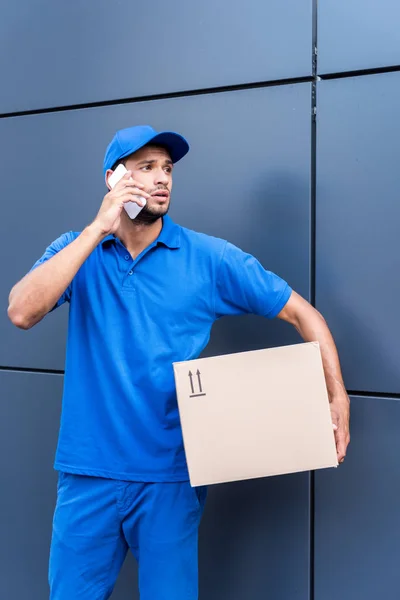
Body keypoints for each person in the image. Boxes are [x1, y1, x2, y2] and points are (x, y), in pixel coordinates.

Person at [7, 125, 350, 600]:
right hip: (89, 474)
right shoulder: (76, 249)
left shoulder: (208, 258)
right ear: (114, 179)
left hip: (171, 478)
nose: (162, 178)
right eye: (146, 167)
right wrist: (96, 229)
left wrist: (336, 395)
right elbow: (22, 311)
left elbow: (303, 313)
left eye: (167, 168)